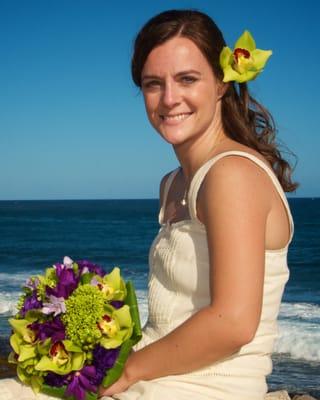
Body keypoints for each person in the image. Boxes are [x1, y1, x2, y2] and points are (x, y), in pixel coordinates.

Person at [0, 9, 297, 400]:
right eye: (153, 84)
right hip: (160, 373)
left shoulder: (231, 175)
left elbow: (233, 323)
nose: (169, 98)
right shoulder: (173, 184)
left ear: (223, 83)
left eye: (187, 79)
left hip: (205, 387)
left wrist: (126, 372)